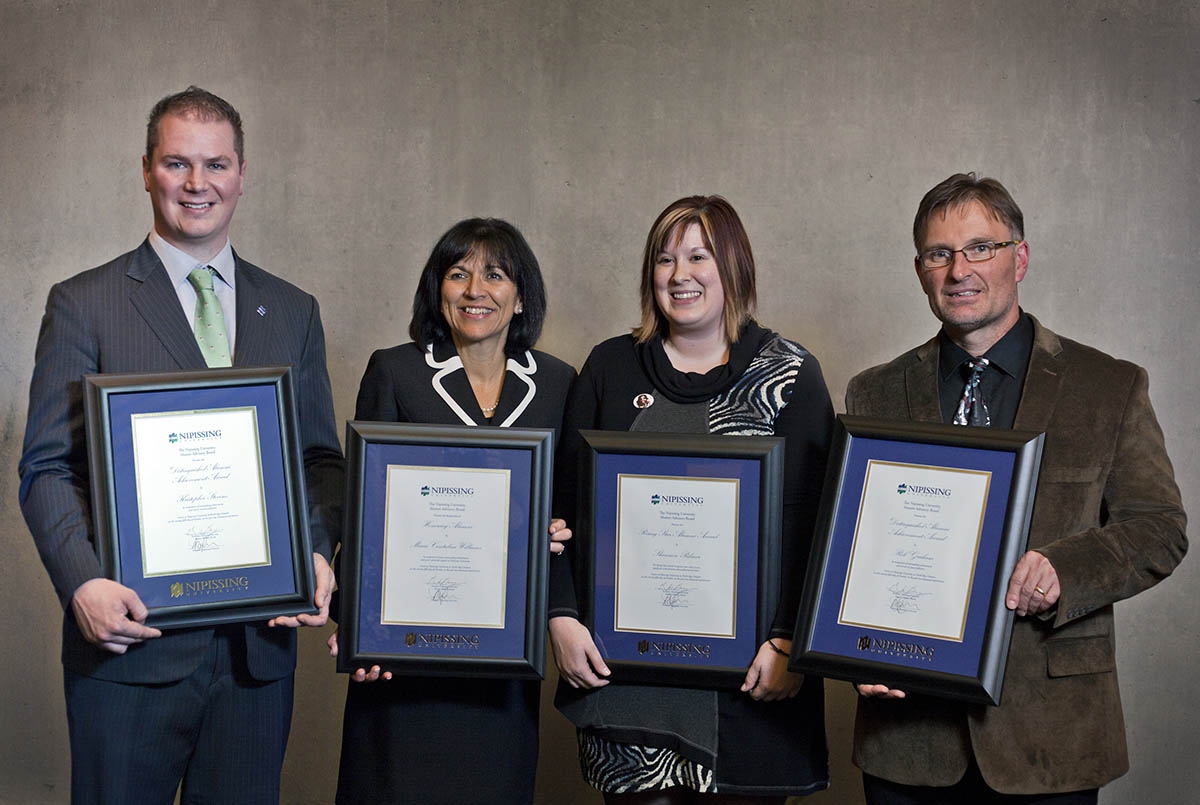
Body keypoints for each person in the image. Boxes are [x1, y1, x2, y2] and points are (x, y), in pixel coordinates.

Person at [17, 87, 344, 803]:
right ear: (145, 170)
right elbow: (45, 467)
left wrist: (316, 551)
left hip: (259, 655)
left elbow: (320, 460)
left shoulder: (292, 310)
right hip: (131, 647)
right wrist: (82, 581)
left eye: (216, 164)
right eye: (177, 164)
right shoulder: (86, 302)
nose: (198, 185)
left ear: (242, 172)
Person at [845, 172, 1188, 804]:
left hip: (1051, 735)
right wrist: (855, 649)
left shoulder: (1108, 386)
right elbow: (850, 551)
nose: (959, 271)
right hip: (910, 740)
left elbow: (1160, 528)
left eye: (981, 247)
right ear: (919, 269)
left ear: (1019, 257)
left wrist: (1066, 568)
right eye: (939, 254)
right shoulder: (874, 392)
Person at [548, 195, 834, 802]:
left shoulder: (789, 376)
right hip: (630, 692)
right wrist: (562, 616)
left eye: (699, 256)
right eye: (664, 259)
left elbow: (821, 529)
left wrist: (789, 642)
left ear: (735, 267)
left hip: (752, 694)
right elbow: (560, 510)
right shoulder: (608, 367)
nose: (680, 275)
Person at [329, 218, 577, 804]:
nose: (475, 290)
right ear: (437, 290)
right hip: (406, 659)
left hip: (501, 662)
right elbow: (363, 512)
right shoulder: (396, 370)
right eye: (458, 273)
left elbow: (568, 510)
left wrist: (558, 529)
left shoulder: (560, 384)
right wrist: (357, 624)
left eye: (494, 275)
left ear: (520, 296)